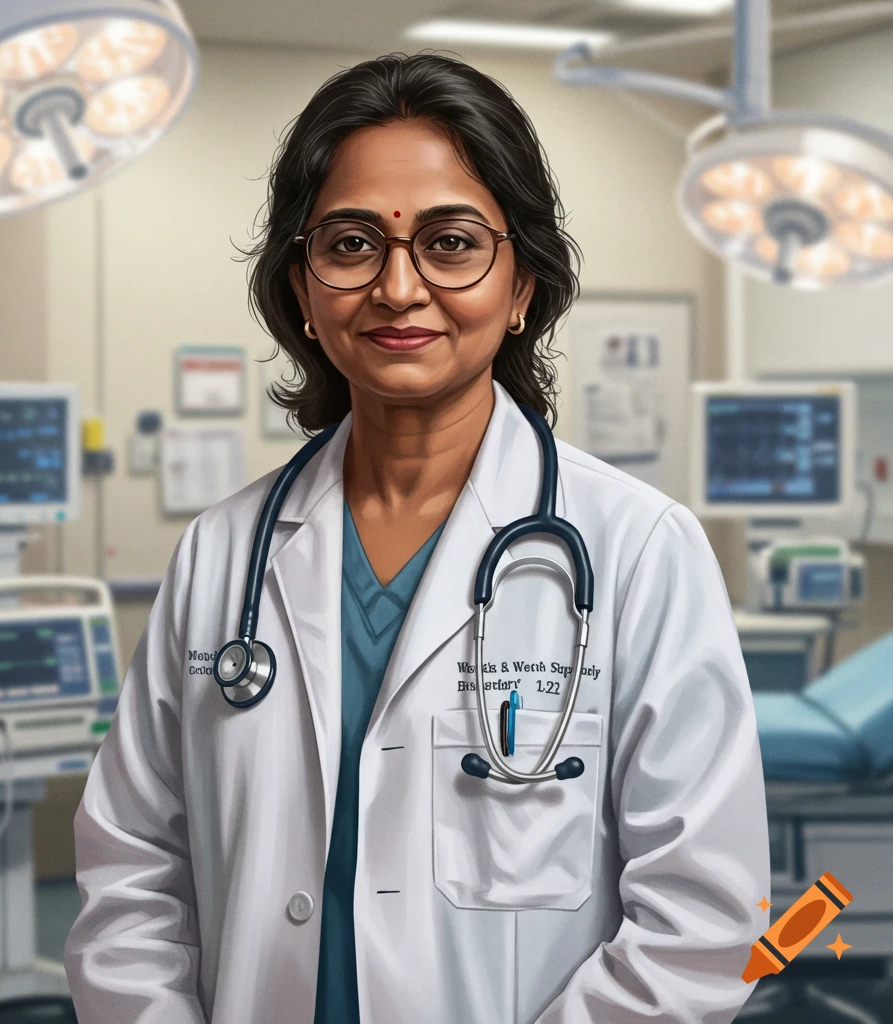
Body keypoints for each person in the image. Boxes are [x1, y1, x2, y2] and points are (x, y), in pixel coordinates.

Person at [64, 53, 771, 1024]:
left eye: (450, 242)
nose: (398, 287)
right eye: (351, 244)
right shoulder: (222, 554)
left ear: (521, 284)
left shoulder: (640, 549)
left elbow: (705, 921)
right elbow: (131, 870)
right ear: (302, 292)